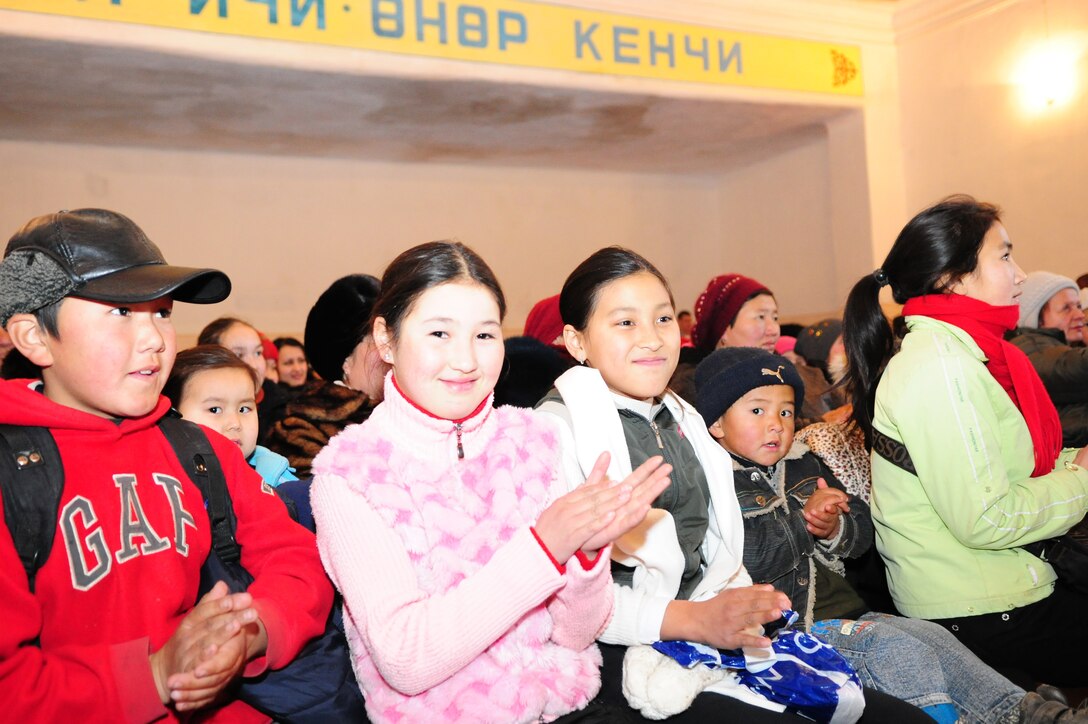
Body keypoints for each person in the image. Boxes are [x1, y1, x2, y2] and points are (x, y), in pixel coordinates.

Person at [536, 246, 928, 722]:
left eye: (662, 320)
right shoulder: (554, 433)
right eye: (625, 323)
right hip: (626, 643)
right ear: (577, 342)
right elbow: (563, 602)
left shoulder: (684, 420)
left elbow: (720, 554)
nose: (653, 340)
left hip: (711, 613)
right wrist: (698, 621)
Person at [310, 241, 672, 723]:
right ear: (385, 339)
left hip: (566, 705)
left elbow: (575, 635)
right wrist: (544, 549)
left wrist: (585, 555)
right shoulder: (353, 474)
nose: (466, 361)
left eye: (484, 335)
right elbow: (407, 660)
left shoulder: (533, 441)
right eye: (439, 333)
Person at [0, 208, 331, 720]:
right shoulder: (12, 473)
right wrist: (153, 675)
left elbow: (298, 558)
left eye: (163, 313)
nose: (154, 338)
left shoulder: (200, 450)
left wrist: (249, 631)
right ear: (34, 337)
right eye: (120, 312)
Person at [695, 346, 1085, 723]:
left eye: (786, 411)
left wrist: (834, 526)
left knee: (932, 639)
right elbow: (748, 559)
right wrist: (802, 521)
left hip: (845, 613)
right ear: (715, 423)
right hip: (788, 632)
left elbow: (862, 534)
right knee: (896, 650)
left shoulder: (801, 462)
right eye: (757, 410)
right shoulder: (712, 484)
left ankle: (1030, 714)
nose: (776, 424)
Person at [843, 195, 1088, 690]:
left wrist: (1073, 462)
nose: (1019, 274)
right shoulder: (940, 368)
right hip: (979, 606)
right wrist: (1082, 479)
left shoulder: (962, 353)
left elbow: (1005, 466)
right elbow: (987, 518)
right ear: (950, 278)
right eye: (1003, 257)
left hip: (1000, 584)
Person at [265, 274, 385, 477]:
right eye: (376, 341)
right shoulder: (301, 429)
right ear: (347, 361)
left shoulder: (406, 415)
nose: (388, 351)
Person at [165, 345, 298, 489]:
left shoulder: (278, 479)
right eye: (215, 409)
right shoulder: (160, 486)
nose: (235, 423)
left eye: (244, 409)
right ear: (172, 415)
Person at [1010, 272, 1088, 447]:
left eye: (1078, 306)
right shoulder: (1029, 347)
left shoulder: (1063, 346)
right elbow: (1068, 368)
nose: (1080, 315)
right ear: (1036, 318)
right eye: (1066, 308)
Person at [198, 317, 288, 445]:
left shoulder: (286, 412)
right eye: (239, 355)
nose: (254, 365)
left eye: (258, 353)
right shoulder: (197, 415)